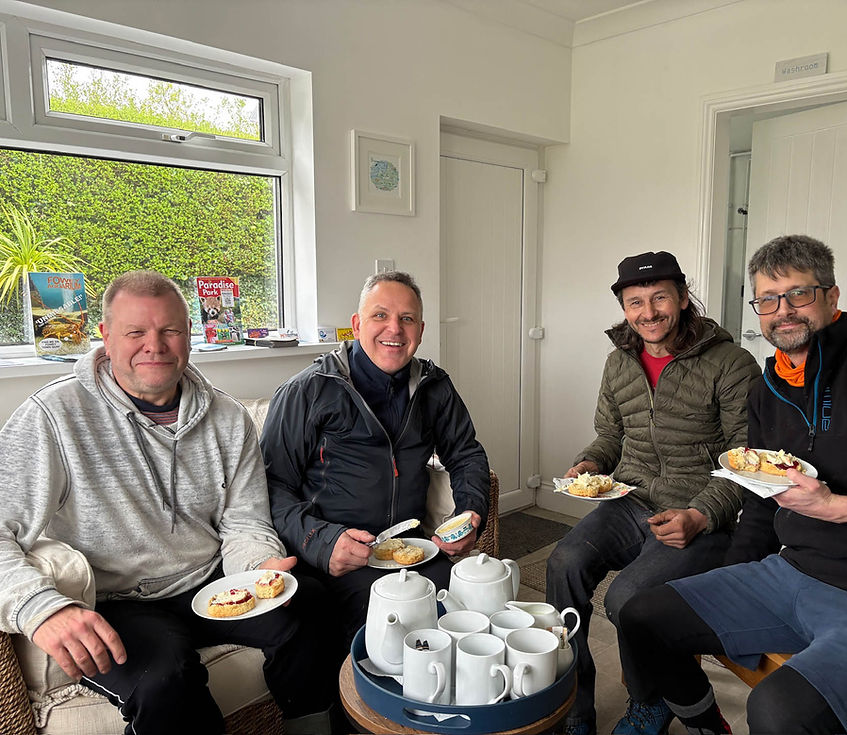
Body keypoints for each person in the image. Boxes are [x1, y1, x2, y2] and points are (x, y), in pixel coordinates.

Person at [616, 234, 847, 735]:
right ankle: (706, 726)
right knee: (642, 617)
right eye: (767, 299)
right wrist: (728, 583)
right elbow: (762, 502)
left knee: (777, 711)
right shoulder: (769, 389)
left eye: (798, 294)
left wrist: (837, 507)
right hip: (794, 573)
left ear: (832, 296)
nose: (782, 311)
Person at [0, 271, 339, 735]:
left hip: (211, 580)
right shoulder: (52, 417)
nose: (154, 346)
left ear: (189, 333)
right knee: (165, 679)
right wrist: (40, 607)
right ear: (105, 337)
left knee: (311, 603)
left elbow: (244, 520)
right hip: (118, 599)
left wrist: (258, 568)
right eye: (135, 332)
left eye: (170, 330)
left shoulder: (228, 417)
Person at [547, 251, 761, 735]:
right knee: (563, 564)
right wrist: (591, 462)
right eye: (635, 302)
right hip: (631, 501)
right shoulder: (618, 363)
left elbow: (747, 455)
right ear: (624, 308)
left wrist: (701, 514)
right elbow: (610, 435)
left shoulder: (731, 363)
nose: (648, 312)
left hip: (700, 512)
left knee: (627, 598)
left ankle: (649, 704)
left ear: (683, 298)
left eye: (659, 298)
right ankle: (573, 704)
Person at [260, 271, 490, 648]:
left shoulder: (435, 386)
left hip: (410, 550)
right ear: (357, 325)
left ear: (420, 330)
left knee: (470, 613)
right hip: (337, 557)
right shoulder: (308, 390)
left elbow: (466, 454)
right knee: (389, 638)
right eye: (380, 315)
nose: (394, 329)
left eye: (407, 318)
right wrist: (322, 542)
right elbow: (271, 485)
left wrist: (470, 513)